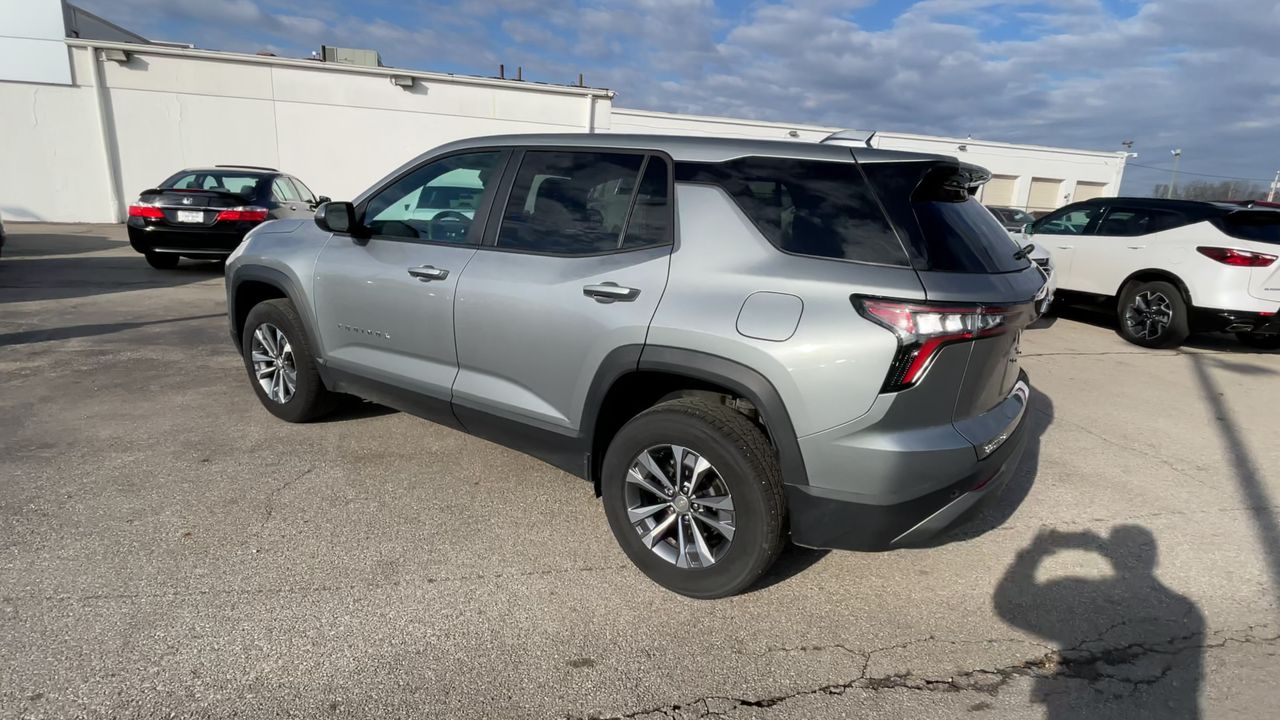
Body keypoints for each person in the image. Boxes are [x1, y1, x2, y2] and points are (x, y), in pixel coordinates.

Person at [993, 526, 1203, 719]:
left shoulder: (1079, 592)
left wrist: (1035, 551)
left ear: (1110, 556)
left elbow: (1007, 608)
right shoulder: (1188, 610)